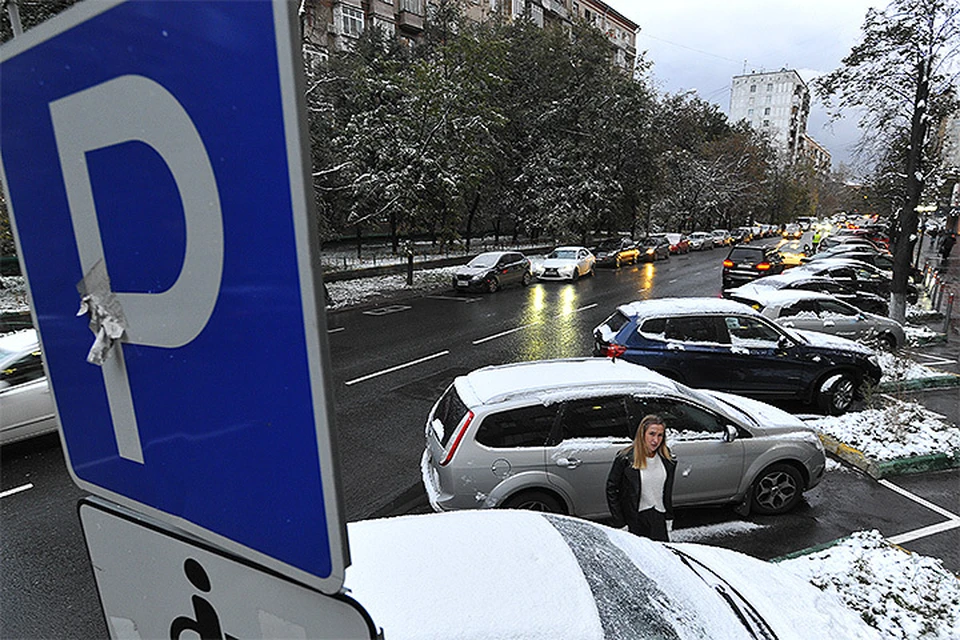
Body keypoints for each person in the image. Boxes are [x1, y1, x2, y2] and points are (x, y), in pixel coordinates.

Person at [606, 414, 677, 542]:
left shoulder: (667, 460)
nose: (655, 440)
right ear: (642, 434)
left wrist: (668, 519)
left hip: (659, 519)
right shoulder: (625, 458)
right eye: (652, 434)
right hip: (636, 520)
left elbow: (666, 492)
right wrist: (620, 523)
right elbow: (612, 489)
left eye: (660, 435)